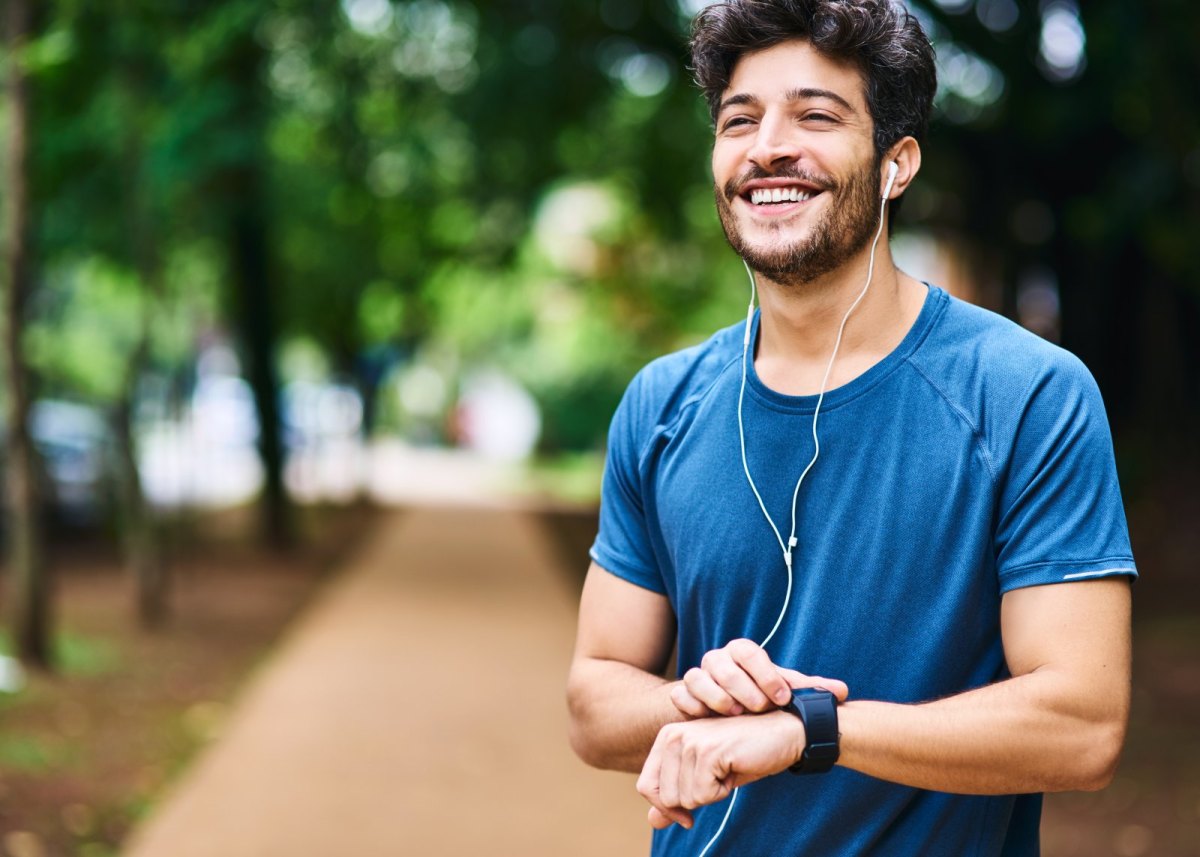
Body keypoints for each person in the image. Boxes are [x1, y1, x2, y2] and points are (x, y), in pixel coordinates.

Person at [566, 1, 1137, 855]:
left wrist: (809, 728)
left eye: (816, 115)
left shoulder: (1028, 394)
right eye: (740, 120)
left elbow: (1082, 725)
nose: (768, 148)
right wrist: (709, 703)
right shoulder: (662, 404)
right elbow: (593, 703)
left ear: (896, 163)